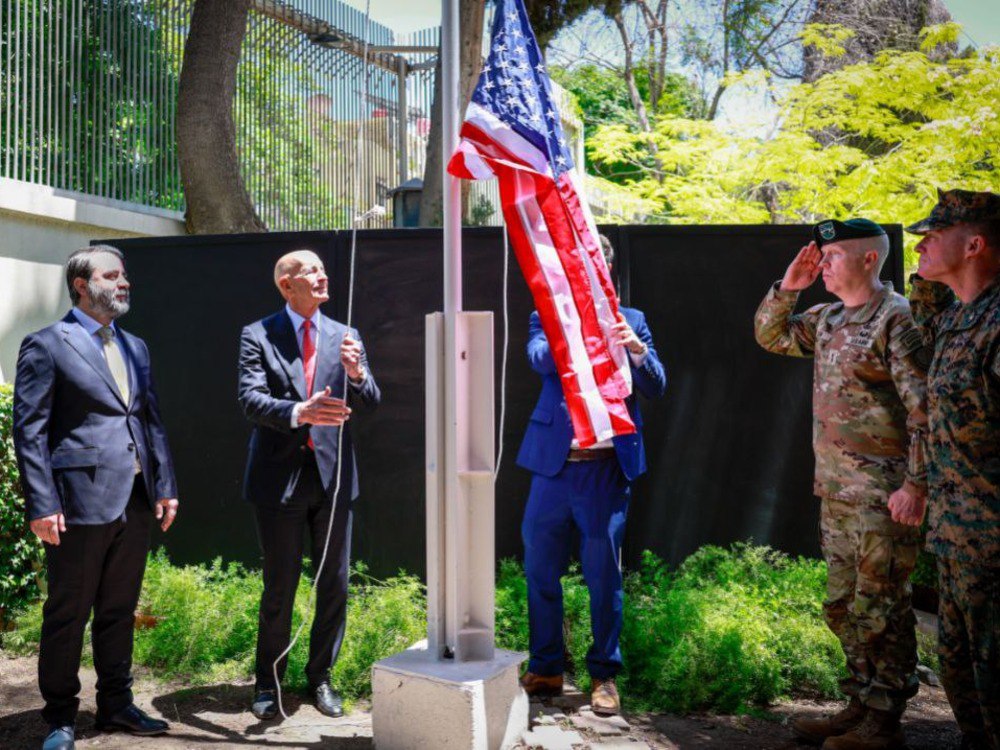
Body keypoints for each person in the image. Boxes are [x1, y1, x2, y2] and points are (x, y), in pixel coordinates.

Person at [754, 219, 929, 750]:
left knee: (880, 608)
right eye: (822, 257)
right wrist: (789, 287)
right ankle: (860, 701)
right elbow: (771, 335)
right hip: (836, 491)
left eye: (833, 256)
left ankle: (884, 718)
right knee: (841, 607)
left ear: (870, 259)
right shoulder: (827, 318)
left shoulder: (896, 319)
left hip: (884, 495)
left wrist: (916, 486)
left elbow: (925, 411)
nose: (823, 265)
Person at [13, 245, 179, 750]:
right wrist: (42, 503)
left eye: (124, 275)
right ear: (82, 285)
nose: (123, 282)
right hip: (77, 502)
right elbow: (30, 430)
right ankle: (61, 717)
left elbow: (150, 421)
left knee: (118, 609)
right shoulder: (47, 344)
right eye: (112, 275)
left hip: (134, 497)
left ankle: (116, 706)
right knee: (69, 612)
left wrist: (165, 485)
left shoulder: (137, 346)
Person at [516, 235, 666, 716]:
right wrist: (575, 328)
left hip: (605, 471)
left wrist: (636, 351)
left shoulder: (632, 319)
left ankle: (604, 674)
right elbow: (538, 359)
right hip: (554, 468)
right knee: (540, 570)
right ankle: (546, 668)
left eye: (589, 263)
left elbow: (656, 385)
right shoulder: (547, 314)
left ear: (607, 269)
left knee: (603, 578)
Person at [238, 249, 380, 720]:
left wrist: (357, 373)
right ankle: (268, 682)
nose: (322, 276)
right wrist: (301, 411)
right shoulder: (258, 334)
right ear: (287, 285)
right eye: (311, 271)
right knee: (280, 586)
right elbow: (250, 399)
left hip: (333, 482)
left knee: (334, 585)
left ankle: (320, 678)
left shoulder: (346, 335)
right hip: (278, 482)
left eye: (322, 268)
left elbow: (371, 400)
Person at [904, 189, 1000, 750]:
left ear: (975, 245)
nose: (920, 245)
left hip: (992, 541)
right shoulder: (958, 318)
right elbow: (923, 322)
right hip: (957, 538)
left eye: (933, 236)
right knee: (964, 682)